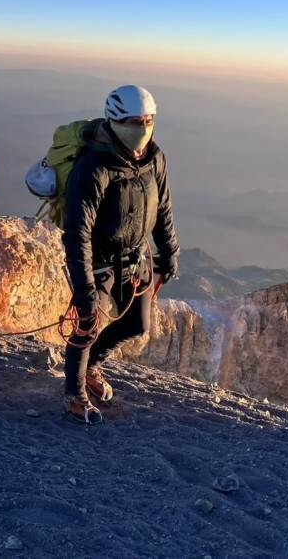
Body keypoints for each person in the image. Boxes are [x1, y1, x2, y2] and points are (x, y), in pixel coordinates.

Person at [61, 85, 179, 424]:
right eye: (133, 121)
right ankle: (74, 394)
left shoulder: (155, 157)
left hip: (136, 258)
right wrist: (84, 288)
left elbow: (163, 208)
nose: (142, 127)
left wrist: (169, 251)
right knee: (86, 323)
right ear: (115, 121)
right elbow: (78, 232)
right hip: (98, 262)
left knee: (137, 324)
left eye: (148, 120)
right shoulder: (93, 167)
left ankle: (92, 365)